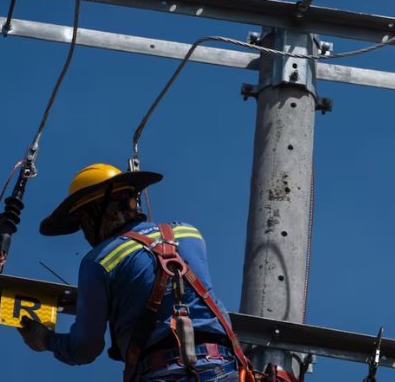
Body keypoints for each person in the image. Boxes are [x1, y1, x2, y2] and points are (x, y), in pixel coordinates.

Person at [15, 163, 255, 381]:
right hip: (225, 370)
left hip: (161, 374)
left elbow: (85, 348)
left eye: (83, 220)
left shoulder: (98, 262)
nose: (85, 231)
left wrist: (44, 339)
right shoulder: (189, 233)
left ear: (96, 214)